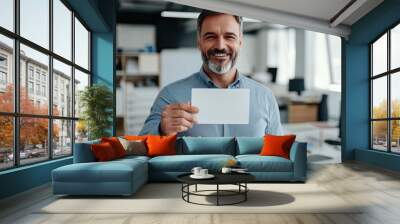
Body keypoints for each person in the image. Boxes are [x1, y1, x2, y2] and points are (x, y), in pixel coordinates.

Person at [140, 10, 283, 137]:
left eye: (229, 37)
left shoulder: (265, 97)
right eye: (210, 37)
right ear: (199, 42)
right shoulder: (171, 95)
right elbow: (141, 145)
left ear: (240, 41)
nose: (220, 46)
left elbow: (278, 155)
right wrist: (161, 130)